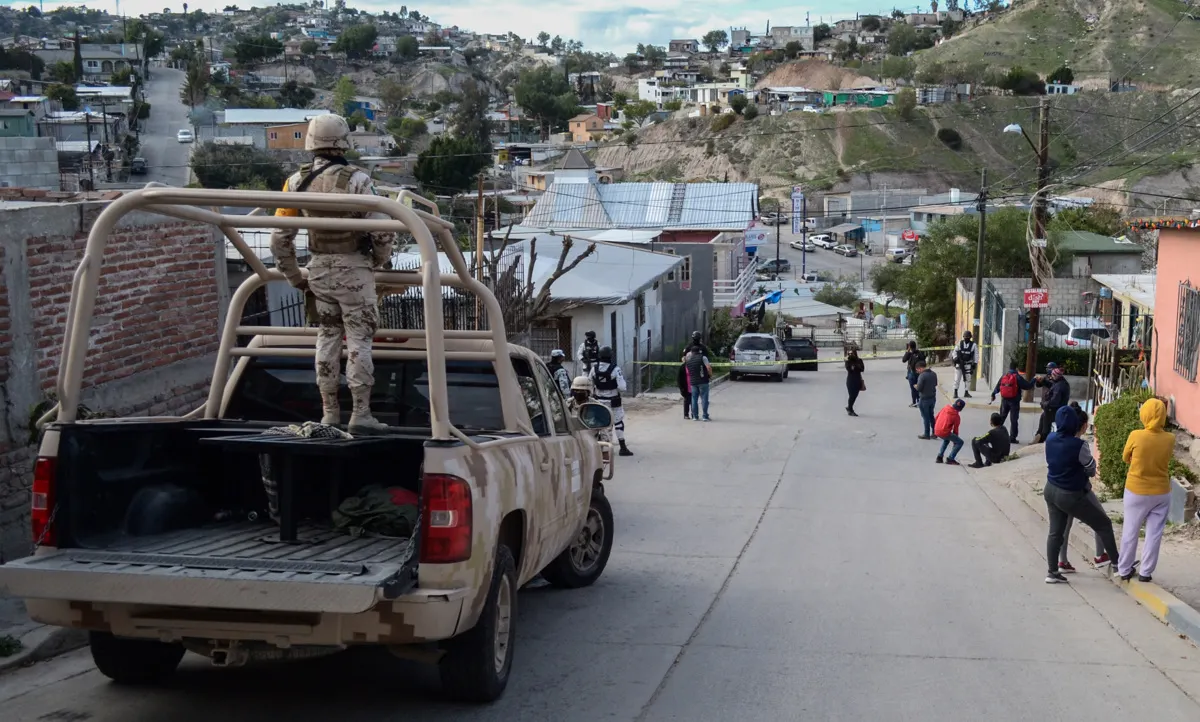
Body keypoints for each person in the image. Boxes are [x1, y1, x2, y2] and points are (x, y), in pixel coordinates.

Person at [270, 114, 394, 432]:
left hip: (319, 270)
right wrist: (378, 261)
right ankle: (361, 414)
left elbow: (280, 237)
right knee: (358, 341)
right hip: (354, 271)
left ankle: (329, 412)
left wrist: (294, 276)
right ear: (343, 142)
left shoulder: (295, 182)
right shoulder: (358, 180)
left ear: (311, 142)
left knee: (326, 338)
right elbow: (382, 232)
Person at [1043, 405, 1120, 584]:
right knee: (1104, 524)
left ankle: (1052, 572)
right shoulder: (1079, 445)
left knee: (1055, 532)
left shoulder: (1050, 438)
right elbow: (1091, 469)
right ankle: (1118, 565)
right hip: (1071, 493)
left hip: (1050, 489)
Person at [1116, 397, 1176, 583]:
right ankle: (1146, 573)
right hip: (1161, 492)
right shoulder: (1170, 438)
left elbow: (1126, 457)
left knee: (1130, 531)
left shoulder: (1136, 435)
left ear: (1145, 414)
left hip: (1136, 490)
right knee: (1154, 534)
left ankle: (1125, 569)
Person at [1059, 403, 1110, 573]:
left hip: (1060, 488)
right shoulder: (1080, 446)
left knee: (1064, 527)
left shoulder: (1056, 440)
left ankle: (1062, 561)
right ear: (1084, 426)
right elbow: (1090, 470)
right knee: (1100, 519)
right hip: (1080, 490)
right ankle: (1100, 555)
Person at [589, 346, 633, 456]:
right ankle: (622, 447)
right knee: (618, 422)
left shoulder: (594, 368)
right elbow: (622, 387)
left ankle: (596, 448)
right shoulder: (615, 369)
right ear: (610, 356)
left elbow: (589, 383)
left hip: (598, 401)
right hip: (613, 401)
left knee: (599, 423)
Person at [990, 362, 1034, 443]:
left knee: (1001, 418)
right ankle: (1012, 438)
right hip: (1014, 401)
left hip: (1004, 400)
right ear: (1016, 368)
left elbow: (998, 387)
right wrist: (1034, 380)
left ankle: (996, 435)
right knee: (1014, 420)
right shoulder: (1017, 377)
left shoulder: (1004, 376)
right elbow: (1028, 386)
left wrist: (993, 394)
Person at [1033, 365, 1071, 444]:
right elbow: (1051, 385)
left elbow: (1054, 401)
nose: (1051, 377)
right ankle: (1039, 435)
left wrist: (1044, 404)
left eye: (1052, 376)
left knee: (1046, 427)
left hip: (1054, 410)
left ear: (1056, 376)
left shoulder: (1060, 386)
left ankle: (1042, 438)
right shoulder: (1060, 382)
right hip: (1054, 409)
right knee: (1043, 417)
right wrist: (1042, 380)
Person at [684, 345, 713, 422]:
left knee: (694, 399)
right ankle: (705, 416)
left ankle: (695, 416)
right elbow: (708, 367)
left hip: (693, 382)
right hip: (703, 381)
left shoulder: (688, 360)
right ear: (699, 351)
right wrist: (710, 375)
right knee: (704, 399)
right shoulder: (703, 357)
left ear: (692, 352)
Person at [934, 399, 966, 465]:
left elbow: (936, 417)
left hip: (936, 429)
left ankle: (939, 457)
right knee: (960, 442)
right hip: (944, 432)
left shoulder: (945, 407)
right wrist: (955, 442)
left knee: (946, 439)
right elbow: (955, 430)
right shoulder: (956, 416)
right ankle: (950, 459)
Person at [914, 360, 938, 439]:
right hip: (932, 398)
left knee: (925, 417)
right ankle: (935, 432)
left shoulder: (922, 376)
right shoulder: (933, 374)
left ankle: (926, 433)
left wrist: (916, 386)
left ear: (920, 368)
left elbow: (919, 388)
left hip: (924, 399)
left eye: (917, 370)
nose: (917, 371)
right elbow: (935, 384)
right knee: (931, 416)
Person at [952, 330, 977, 399]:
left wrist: (975, 363)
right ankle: (955, 392)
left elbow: (976, 355)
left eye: (968, 337)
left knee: (968, 379)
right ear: (963, 337)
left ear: (970, 338)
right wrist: (955, 358)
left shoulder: (973, 345)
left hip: (968, 364)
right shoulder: (960, 343)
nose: (966, 338)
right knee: (957, 378)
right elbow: (954, 352)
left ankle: (966, 392)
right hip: (959, 364)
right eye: (965, 337)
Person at [902, 341, 925, 407]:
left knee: (913, 388)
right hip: (919, 372)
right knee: (918, 386)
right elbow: (923, 360)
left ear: (909, 346)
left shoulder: (909, 353)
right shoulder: (919, 352)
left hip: (911, 373)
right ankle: (919, 401)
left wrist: (907, 351)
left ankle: (915, 401)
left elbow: (903, 360)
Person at [845, 347, 865, 417]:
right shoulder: (848, 361)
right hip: (850, 380)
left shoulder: (859, 360)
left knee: (855, 395)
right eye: (850, 354)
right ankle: (850, 409)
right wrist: (852, 366)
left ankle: (849, 407)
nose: (851, 355)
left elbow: (862, 369)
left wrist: (856, 366)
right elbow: (849, 369)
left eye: (853, 353)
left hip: (857, 380)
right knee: (852, 395)